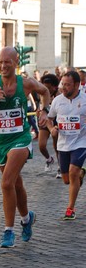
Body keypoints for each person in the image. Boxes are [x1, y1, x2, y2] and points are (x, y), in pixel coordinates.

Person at [0, 46, 50, 248]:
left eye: (7, 62)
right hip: (0, 141)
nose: (2, 66)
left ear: (16, 63)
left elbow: (44, 92)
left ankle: (8, 231)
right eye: (0, 62)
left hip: (20, 138)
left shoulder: (25, 83)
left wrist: (45, 111)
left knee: (7, 183)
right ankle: (27, 219)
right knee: (16, 184)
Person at [45, 70, 86, 220]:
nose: (64, 87)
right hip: (63, 144)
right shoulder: (57, 100)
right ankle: (81, 173)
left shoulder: (85, 99)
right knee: (66, 179)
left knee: (73, 173)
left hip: (81, 142)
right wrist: (52, 128)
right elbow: (49, 119)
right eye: (63, 84)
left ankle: (70, 208)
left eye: (68, 85)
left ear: (77, 85)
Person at [38, 73, 60, 175]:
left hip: (56, 121)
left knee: (57, 146)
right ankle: (49, 159)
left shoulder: (59, 95)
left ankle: (61, 166)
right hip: (45, 121)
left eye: (48, 88)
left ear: (55, 87)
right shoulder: (42, 94)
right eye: (44, 87)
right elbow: (41, 107)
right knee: (41, 146)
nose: (46, 90)